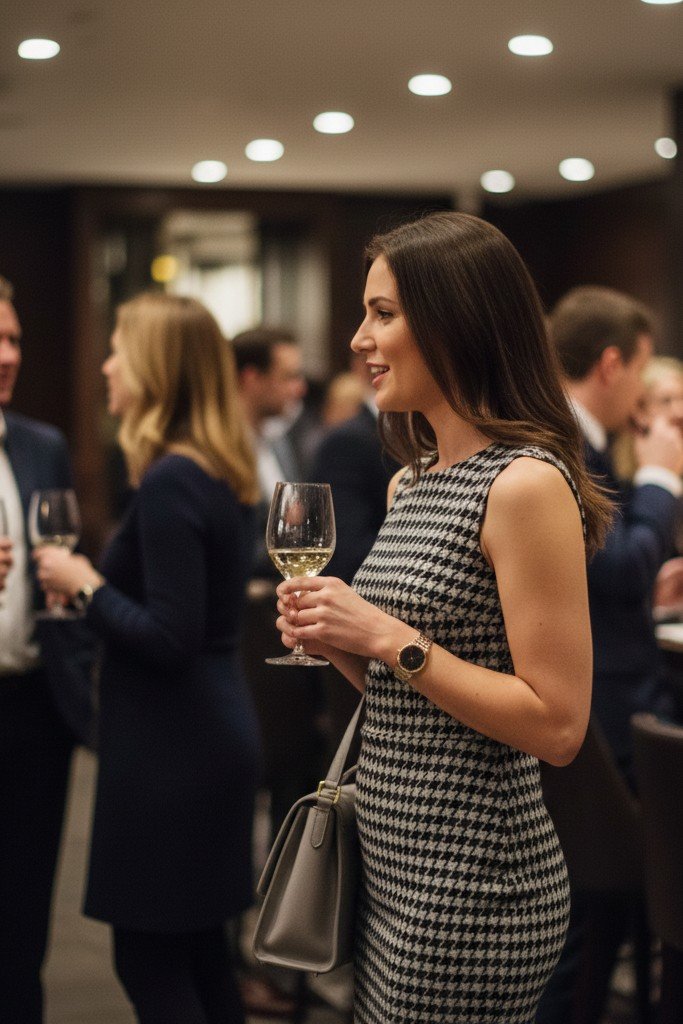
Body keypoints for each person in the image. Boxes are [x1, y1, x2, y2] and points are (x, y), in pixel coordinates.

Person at [274, 211, 610, 1022]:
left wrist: (386, 633)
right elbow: (408, 692)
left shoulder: (524, 484)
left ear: (458, 319)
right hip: (390, 860)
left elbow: (557, 725)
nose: (358, 338)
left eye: (382, 313)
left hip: (474, 883)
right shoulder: (413, 481)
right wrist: (342, 639)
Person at [34, 292, 261, 1024]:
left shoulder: (169, 481)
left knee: (150, 960)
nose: (106, 365)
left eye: (119, 350)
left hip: (174, 750)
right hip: (202, 736)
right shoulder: (208, 471)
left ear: (156, 368)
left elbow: (170, 636)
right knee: (198, 957)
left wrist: (84, 583)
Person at [536, 287, 683, 1024]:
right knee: (579, 924)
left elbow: (600, 578)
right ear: (612, 362)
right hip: (599, 713)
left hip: (601, 698)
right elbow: (616, 565)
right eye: (643, 370)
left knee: (589, 921)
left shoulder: (571, 434)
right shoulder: (563, 439)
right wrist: (660, 476)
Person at [0, 274, 77, 1023]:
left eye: (14, 338)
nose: (7, 354)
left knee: (23, 924)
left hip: (33, 712)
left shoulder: (41, 445)